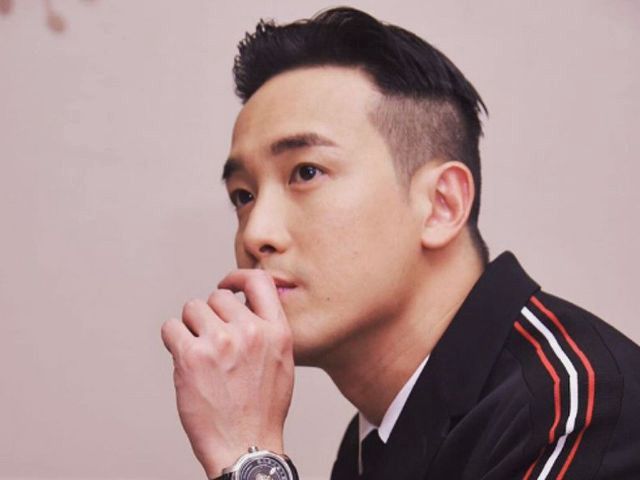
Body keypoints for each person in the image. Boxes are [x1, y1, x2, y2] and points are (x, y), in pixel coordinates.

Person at [160, 7, 640, 480]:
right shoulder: (379, 433)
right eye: (243, 196)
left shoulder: (578, 409)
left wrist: (249, 454)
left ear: (441, 204)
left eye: (306, 172)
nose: (255, 233)